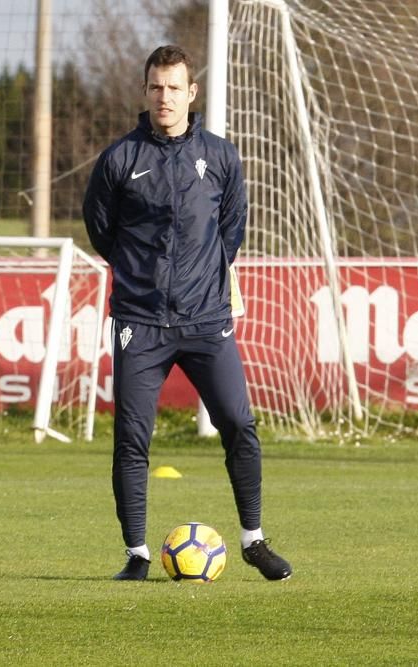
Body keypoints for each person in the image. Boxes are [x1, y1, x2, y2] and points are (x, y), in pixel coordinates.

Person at [82, 45, 292, 582]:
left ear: (191, 93)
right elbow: (102, 230)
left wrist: (201, 283)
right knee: (132, 438)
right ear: (145, 91)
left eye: (175, 87)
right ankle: (137, 553)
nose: (165, 96)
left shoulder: (221, 156)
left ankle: (253, 539)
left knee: (240, 425)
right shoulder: (119, 159)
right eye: (156, 86)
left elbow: (231, 231)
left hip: (206, 321)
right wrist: (143, 278)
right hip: (141, 322)